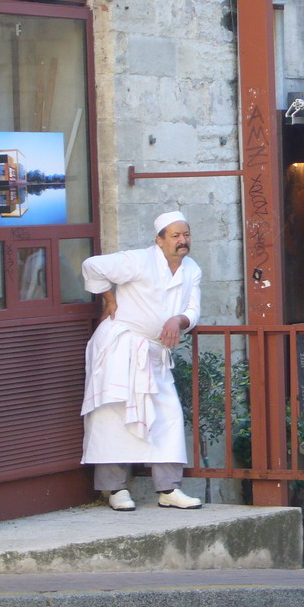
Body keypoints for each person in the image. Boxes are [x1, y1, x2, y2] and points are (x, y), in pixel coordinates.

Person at [79, 210, 203, 511]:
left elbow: (194, 309)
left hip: (154, 354)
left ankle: (169, 489)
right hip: (120, 348)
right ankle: (115, 490)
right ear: (159, 240)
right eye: (175, 236)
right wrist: (109, 299)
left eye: (185, 234)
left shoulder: (191, 270)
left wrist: (178, 320)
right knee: (113, 415)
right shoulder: (138, 260)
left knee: (168, 416)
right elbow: (92, 265)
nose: (182, 241)